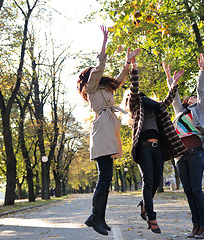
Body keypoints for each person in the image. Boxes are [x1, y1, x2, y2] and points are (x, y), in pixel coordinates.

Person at [77, 25, 140, 236]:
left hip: (108, 129)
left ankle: (98, 217)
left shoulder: (106, 88)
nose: (97, 75)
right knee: (104, 176)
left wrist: (128, 63)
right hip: (102, 130)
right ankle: (96, 217)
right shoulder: (91, 87)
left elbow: (120, 81)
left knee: (106, 177)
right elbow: (99, 68)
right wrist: (104, 43)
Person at [123, 55, 186, 234]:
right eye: (129, 95)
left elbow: (166, 102)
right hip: (143, 148)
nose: (131, 95)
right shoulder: (136, 105)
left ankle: (144, 205)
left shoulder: (155, 106)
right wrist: (133, 67)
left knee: (157, 180)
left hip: (157, 148)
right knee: (148, 181)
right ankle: (151, 217)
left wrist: (173, 84)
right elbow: (134, 88)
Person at [163, 54, 204, 239]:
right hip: (180, 156)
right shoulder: (179, 113)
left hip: (195, 153)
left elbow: (201, 91)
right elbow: (174, 96)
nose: (194, 97)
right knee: (188, 191)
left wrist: (202, 71)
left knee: (196, 190)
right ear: (187, 101)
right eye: (191, 97)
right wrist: (169, 77)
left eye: (195, 97)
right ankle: (196, 226)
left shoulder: (199, 111)